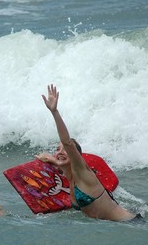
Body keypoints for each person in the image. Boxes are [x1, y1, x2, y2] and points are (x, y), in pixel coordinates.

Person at [35, 84, 140, 222]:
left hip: (130, 223)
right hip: (109, 227)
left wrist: (54, 112)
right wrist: (51, 160)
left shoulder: (83, 172)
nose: (60, 151)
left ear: (75, 156)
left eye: (65, 150)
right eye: (57, 149)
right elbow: (61, 162)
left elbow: (67, 141)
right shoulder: (69, 174)